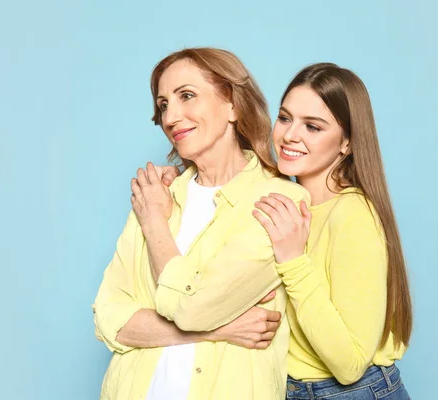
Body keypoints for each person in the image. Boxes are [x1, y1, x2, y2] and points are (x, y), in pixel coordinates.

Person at [92, 47, 309, 400]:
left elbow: (193, 308)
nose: (170, 117)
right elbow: (109, 316)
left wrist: (154, 225)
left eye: (186, 96)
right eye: (163, 105)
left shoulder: (280, 201)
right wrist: (218, 330)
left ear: (233, 105)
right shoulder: (156, 196)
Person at [251, 63, 412, 399]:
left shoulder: (352, 213)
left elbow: (350, 364)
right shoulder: (286, 205)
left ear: (347, 143)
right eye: (285, 118)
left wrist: (293, 260)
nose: (290, 135)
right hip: (289, 387)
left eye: (313, 126)